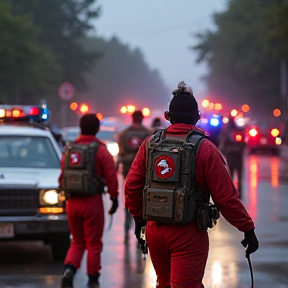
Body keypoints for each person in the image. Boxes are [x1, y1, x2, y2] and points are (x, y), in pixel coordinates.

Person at [124, 81, 259, 288]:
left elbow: (131, 186)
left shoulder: (149, 145)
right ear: (197, 118)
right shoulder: (205, 149)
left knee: (164, 284)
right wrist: (247, 228)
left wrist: (139, 219)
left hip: (155, 230)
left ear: (168, 117)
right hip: (188, 233)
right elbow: (225, 198)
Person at [59, 114, 119, 288]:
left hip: (72, 202)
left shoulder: (70, 149)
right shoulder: (100, 150)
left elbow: (62, 176)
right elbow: (111, 176)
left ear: (80, 127)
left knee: (77, 241)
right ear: (97, 129)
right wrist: (114, 197)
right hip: (92, 202)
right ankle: (93, 278)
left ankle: (69, 269)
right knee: (93, 243)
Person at [117, 110, 150, 243]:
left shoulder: (125, 133)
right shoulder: (148, 133)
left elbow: (121, 150)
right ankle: (142, 230)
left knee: (129, 197)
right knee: (144, 199)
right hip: (145, 169)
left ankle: (126, 229)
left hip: (128, 168)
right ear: (142, 119)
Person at [218, 115, 246, 198]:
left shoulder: (227, 132)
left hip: (231, 157)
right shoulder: (239, 132)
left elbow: (223, 145)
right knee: (239, 175)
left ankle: (232, 193)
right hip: (238, 157)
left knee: (231, 176)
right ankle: (239, 193)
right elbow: (243, 144)